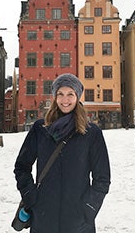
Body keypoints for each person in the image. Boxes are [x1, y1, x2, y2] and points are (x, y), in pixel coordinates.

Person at [14, 73, 111, 233]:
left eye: (70, 94)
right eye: (60, 94)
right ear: (55, 97)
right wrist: (30, 196)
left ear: (77, 97)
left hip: (78, 222)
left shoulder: (91, 133)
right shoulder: (40, 129)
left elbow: (102, 177)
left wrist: (88, 208)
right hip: (43, 218)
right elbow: (22, 166)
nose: (65, 100)